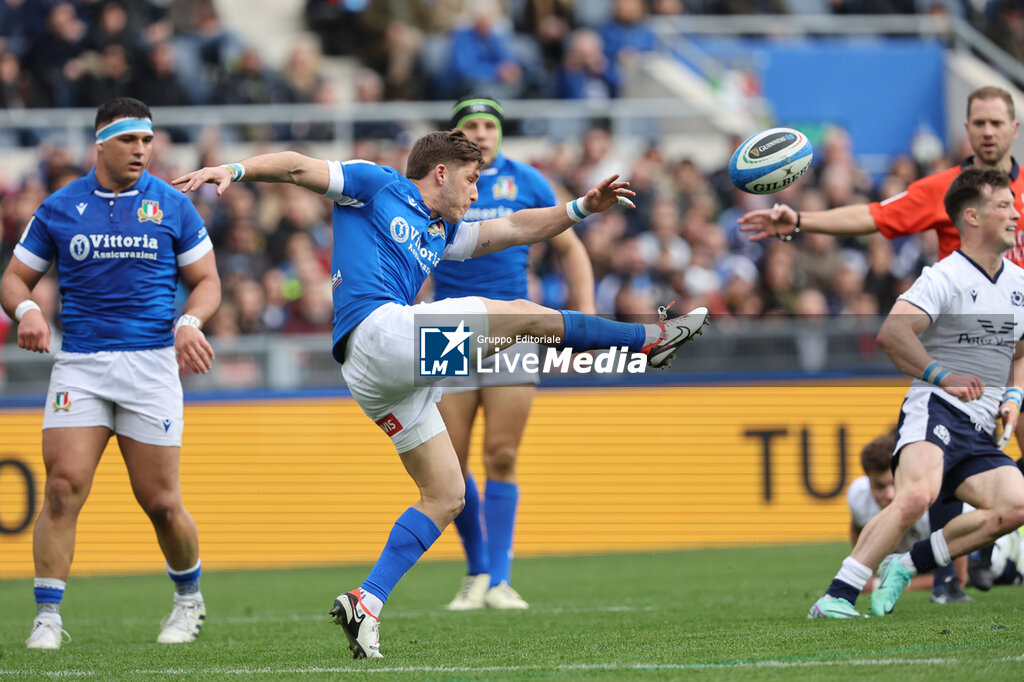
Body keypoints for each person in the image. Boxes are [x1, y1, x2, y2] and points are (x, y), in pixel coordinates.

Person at [173, 128, 709, 658]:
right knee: (524, 317)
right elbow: (295, 166)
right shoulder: (377, 185)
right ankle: (649, 340)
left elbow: (517, 227)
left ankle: (368, 602)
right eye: (472, 180)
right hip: (380, 333)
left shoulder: (440, 232)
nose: (477, 193)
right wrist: (234, 170)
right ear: (441, 172)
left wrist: (581, 208)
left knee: (447, 494)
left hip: (375, 374)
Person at [0, 97, 220, 648]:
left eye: (147, 141)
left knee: (162, 503)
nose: (141, 151)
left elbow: (208, 279)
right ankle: (47, 616)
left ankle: (188, 600)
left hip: (151, 364)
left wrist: (190, 321)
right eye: (129, 141)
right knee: (62, 486)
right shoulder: (58, 207)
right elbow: (13, 281)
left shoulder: (173, 205)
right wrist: (27, 310)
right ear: (100, 144)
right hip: (82, 365)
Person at [808, 167, 1024, 618]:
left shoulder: (1018, 284)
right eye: (1003, 205)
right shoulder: (944, 276)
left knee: (1016, 506)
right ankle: (837, 595)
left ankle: (908, 564)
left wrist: (1013, 397)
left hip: (981, 423)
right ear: (971, 216)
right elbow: (893, 332)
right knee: (916, 495)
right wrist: (942, 376)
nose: (1015, 212)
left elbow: (1020, 354)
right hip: (938, 408)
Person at [432, 96, 596, 611]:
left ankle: (499, 580)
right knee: (450, 469)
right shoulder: (436, 184)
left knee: (501, 454)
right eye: (471, 126)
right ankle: (477, 571)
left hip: (512, 326)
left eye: (489, 124)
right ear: (455, 137)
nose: (481, 133)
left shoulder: (529, 180)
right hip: (446, 330)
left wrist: (584, 317)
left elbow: (569, 246)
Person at [738, 86, 1024, 266]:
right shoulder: (942, 188)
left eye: (996, 123)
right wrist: (801, 221)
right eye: (979, 123)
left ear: (1014, 128)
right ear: (967, 128)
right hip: (968, 342)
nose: (987, 131)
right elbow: (873, 216)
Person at [848, 433, 972, 604]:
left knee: (987, 572)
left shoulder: (935, 507)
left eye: (894, 483)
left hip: (983, 554)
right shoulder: (859, 496)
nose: (890, 495)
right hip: (919, 566)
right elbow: (857, 526)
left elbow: (958, 578)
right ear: (868, 481)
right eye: (880, 486)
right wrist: (867, 572)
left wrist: (881, 584)